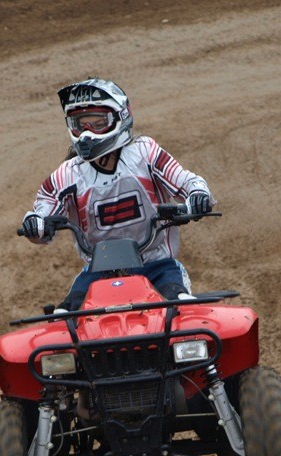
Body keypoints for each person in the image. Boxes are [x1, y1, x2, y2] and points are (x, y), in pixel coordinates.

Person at [21, 77, 215, 311]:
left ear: (120, 117)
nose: (87, 134)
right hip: (97, 273)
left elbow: (186, 181)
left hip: (157, 266)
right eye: (81, 124)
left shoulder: (145, 153)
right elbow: (44, 207)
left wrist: (197, 194)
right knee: (65, 315)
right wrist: (36, 222)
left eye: (98, 123)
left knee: (182, 306)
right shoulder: (67, 174)